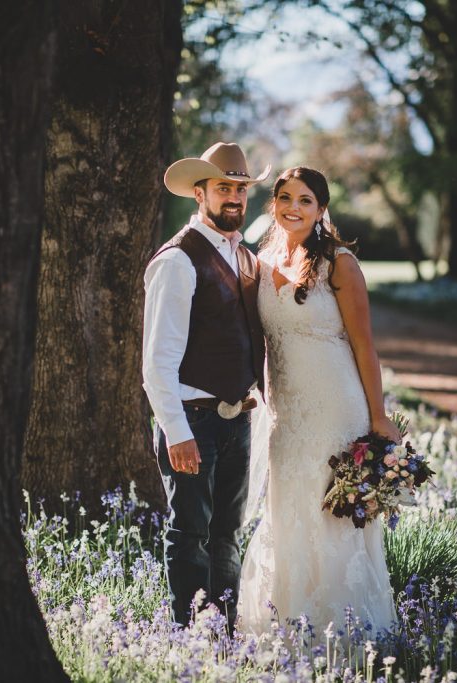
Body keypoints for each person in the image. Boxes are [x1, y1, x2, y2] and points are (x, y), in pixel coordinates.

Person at [238, 166, 402, 637]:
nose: (293, 207)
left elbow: (364, 344)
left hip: (337, 408)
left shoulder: (339, 262)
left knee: (332, 517)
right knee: (289, 511)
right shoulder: (261, 262)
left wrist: (377, 416)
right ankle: (287, 624)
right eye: (285, 197)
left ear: (321, 209)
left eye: (305, 200)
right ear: (273, 205)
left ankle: (346, 632)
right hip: (286, 415)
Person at [142, 142, 271, 632]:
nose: (235, 197)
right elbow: (156, 362)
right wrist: (176, 431)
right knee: (190, 532)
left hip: (237, 419)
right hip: (192, 420)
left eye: (240, 188)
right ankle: (188, 634)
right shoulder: (178, 259)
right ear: (201, 194)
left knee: (227, 535)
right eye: (224, 188)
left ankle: (223, 633)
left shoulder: (243, 255)